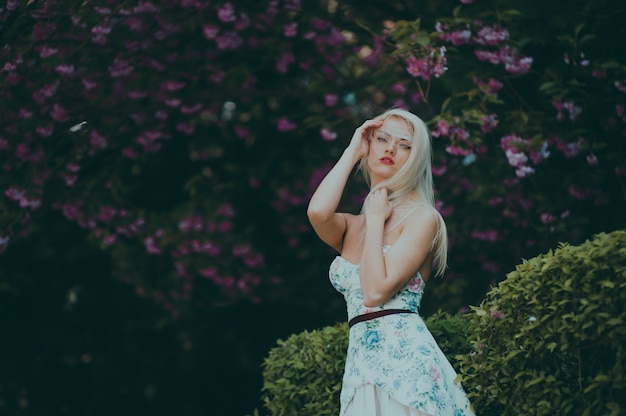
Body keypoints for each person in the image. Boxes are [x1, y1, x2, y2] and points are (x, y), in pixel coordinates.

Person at [307, 109, 475, 416]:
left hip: (407, 370)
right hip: (360, 369)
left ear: (416, 157)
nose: (390, 149)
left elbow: (374, 292)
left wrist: (374, 222)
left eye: (404, 144)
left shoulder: (423, 218)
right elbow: (317, 213)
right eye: (381, 139)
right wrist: (352, 150)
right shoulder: (351, 225)